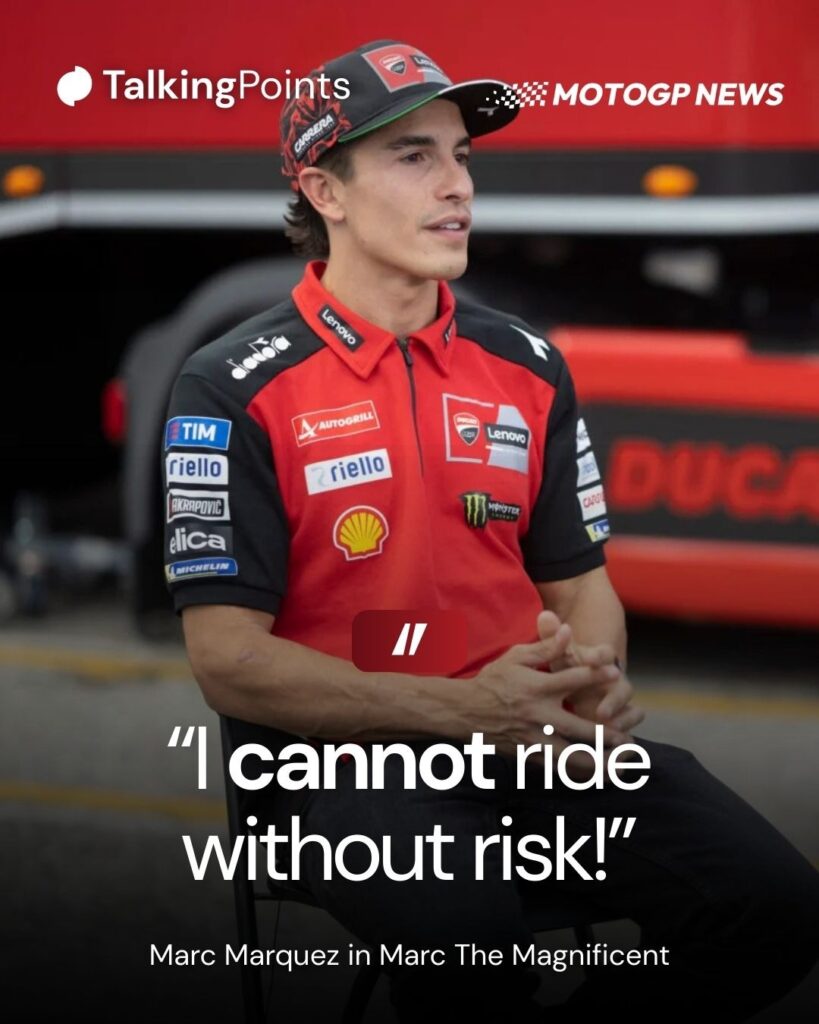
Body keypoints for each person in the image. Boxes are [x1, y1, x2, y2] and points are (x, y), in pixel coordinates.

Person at [163, 40, 819, 1022]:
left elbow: (581, 584)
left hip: (523, 747)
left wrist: (587, 678)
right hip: (328, 772)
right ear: (324, 191)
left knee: (774, 908)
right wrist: (467, 711)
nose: (458, 185)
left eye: (462, 156)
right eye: (414, 156)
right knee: (471, 947)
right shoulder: (231, 385)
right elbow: (226, 661)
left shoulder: (526, 364)